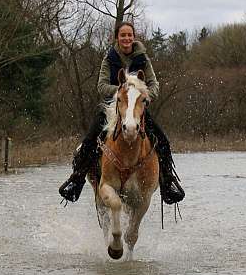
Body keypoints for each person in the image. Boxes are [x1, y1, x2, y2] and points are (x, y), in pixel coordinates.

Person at [58, 21, 185, 205]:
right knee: (89, 141)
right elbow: (101, 86)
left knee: (162, 140)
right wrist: (122, 92)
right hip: (112, 107)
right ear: (117, 38)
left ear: (134, 37)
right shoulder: (109, 58)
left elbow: (154, 84)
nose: (126, 38)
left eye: (129, 35)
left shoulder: (143, 58)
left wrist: (144, 96)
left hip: (137, 109)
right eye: (123, 35)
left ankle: (167, 182)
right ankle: (76, 181)